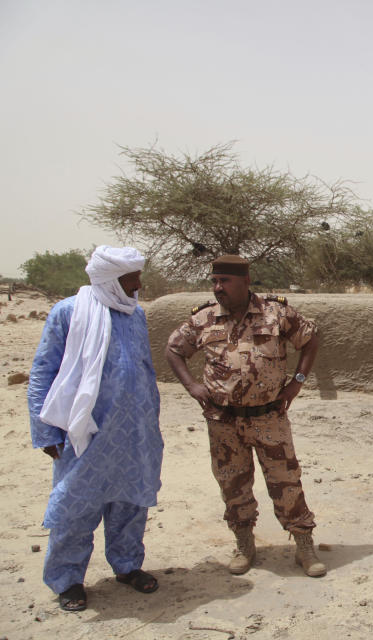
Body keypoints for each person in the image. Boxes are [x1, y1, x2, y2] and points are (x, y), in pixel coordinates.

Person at [165, 255, 326, 577]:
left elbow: (311, 339)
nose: (217, 288)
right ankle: (243, 543)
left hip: (269, 417)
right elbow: (174, 349)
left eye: (224, 281)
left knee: (286, 481)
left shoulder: (275, 312)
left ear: (245, 282)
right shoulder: (204, 319)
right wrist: (192, 386)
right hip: (223, 421)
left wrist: (297, 383)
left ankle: (304, 545)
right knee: (232, 483)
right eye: (214, 281)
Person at [27, 246, 163, 612]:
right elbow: (43, 372)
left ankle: (127, 565)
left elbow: (141, 369)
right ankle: (67, 580)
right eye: (131, 277)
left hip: (134, 432)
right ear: (110, 279)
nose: (139, 283)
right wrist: (45, 433)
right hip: (84, 432)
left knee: (131, 503)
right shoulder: (68, 312)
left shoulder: (136, 315)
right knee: (75, 507)